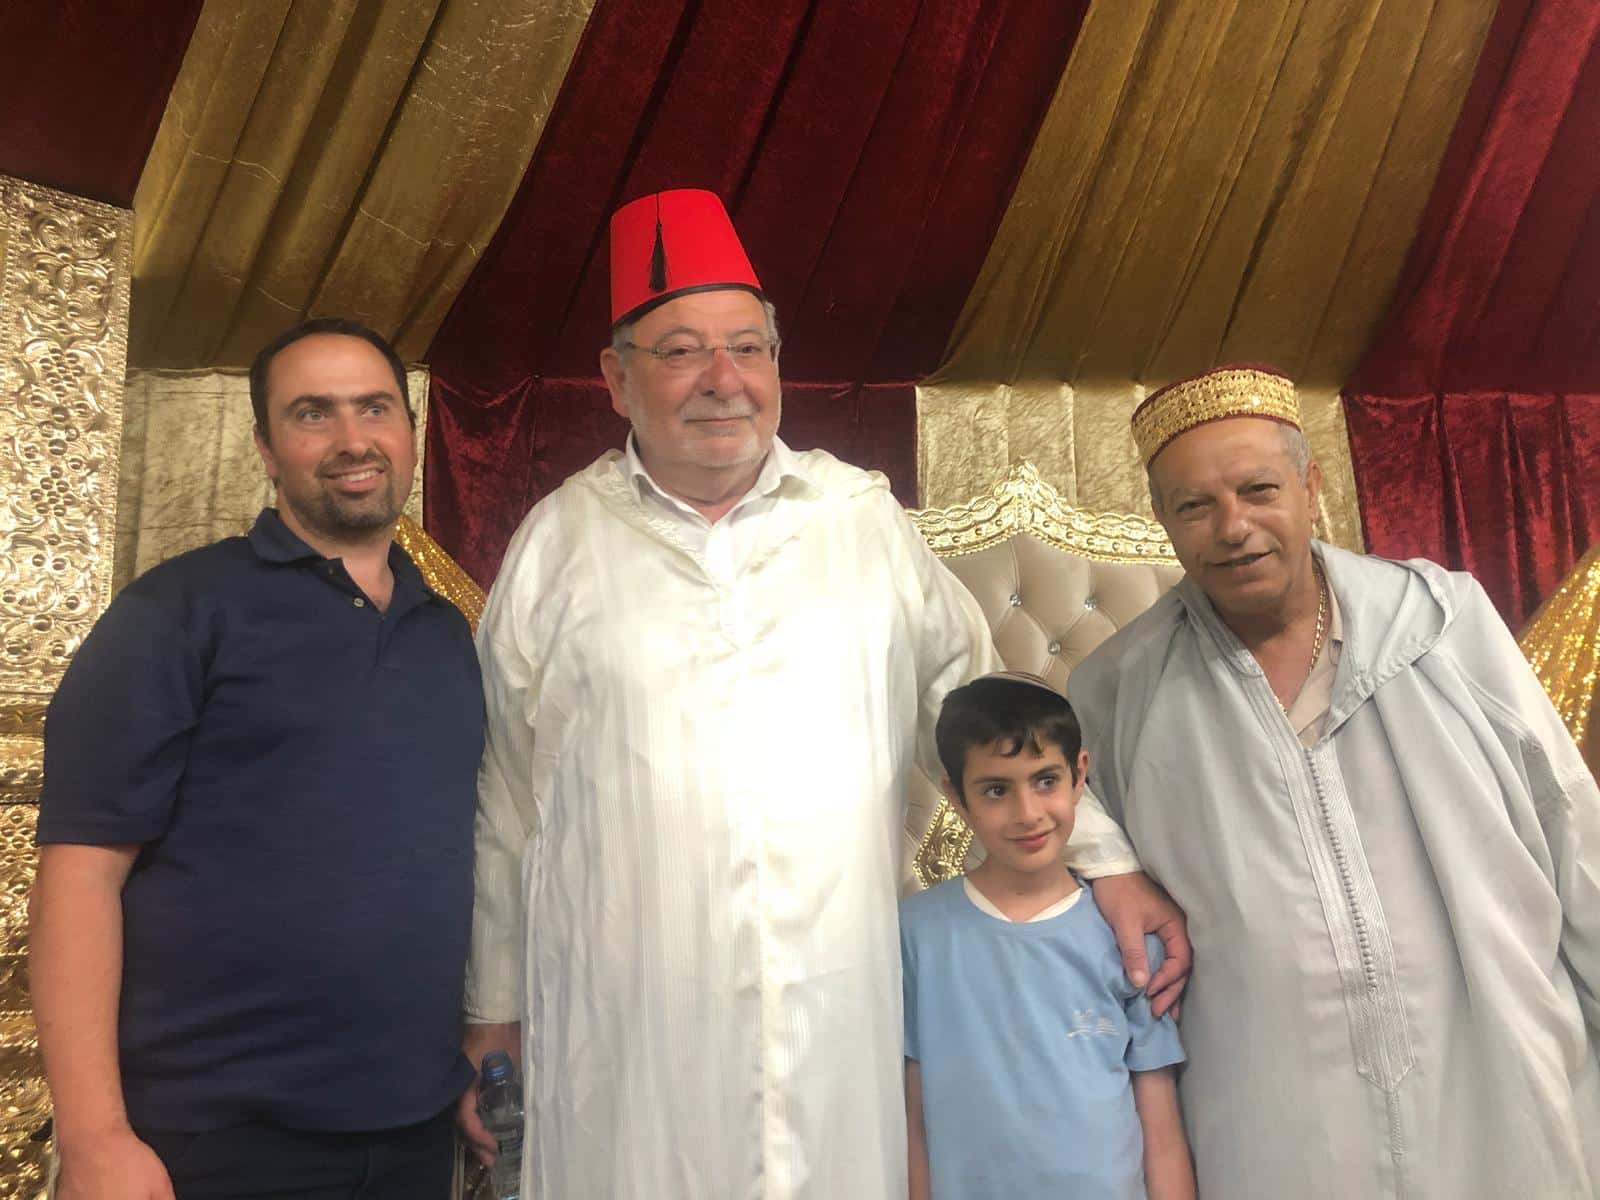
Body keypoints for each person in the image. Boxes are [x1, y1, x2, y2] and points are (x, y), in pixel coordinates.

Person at [457, 188, 1189, 1198]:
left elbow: (976, 711)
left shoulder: (856, 519)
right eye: (680, 351)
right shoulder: (558, 543)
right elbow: (503, 798)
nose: (723, 381)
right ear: (616, 380)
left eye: (747, 349)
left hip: (835, 1008)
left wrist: (1104, 861)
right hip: (633, 1020)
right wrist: (490, 1009)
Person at [1067, 364, 1600, 1198]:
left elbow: (1566, 816)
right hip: (1276, 1112)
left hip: (1496, 1067)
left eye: (1259, 490)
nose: (1234, 528)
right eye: (1195, 506)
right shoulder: (1120, 687)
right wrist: (1110, 862)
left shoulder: (1439, 622)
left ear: (1311, 488)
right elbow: (1048, 816)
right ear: (1162, 520)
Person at [30, 318, 484, 1199]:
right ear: (266, 449)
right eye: (313, 413)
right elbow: (80, 876)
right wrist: (93, 1135)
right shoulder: (175, 613)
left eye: (374, 408)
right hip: (215, 1139)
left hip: (415, 1130)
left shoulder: (448, 634)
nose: (352, 439)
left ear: (411, 430)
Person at [901, 672, 1193, 1200]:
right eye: (996, 790)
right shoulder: (916, 935)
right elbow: (913, 1125)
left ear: (1079, 775)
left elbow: (1163, 1136)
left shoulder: (1128, 939)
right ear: (956, 795)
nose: (1027, 813)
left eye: (1045, 781)